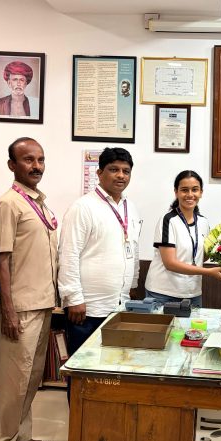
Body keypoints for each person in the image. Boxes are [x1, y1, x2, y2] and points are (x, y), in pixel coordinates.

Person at [0, 137, 58, 441]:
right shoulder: (8, 203)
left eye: (40, 160)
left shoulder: (40, 202)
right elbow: (1, 260)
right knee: (12, 382)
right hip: (19, 307)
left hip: (43, 303)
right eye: (28, 160)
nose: (36, 166)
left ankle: (21, 436)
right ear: (12, 165)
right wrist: (8, 309)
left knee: (31, 379)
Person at [58, 147, 141, 358]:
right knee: (84, 368)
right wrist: (73, 298)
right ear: (99, 172)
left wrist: (132, 285)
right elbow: (68, 254)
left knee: (113, 365)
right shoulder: (83, 207)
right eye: (114, 169)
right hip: (87, 308)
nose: (121, 175)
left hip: (119, 305)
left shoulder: (130, 207)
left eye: (126, 171)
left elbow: (133, 248)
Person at [144, 170, 221, 306]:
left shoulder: (203, 222)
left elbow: (200, 256)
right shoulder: (168, 220)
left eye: (194, 190)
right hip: (163, 293)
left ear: (201, 192)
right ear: (176, 192)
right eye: (184, 190)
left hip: (192, 293)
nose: (190, 194)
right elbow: (170, 263)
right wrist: (209, 272)